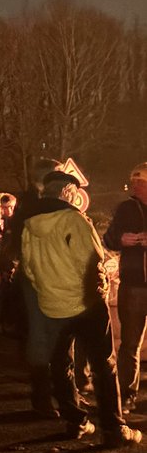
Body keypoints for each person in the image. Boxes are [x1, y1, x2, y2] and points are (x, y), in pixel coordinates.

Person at [21, 170, 140, 447]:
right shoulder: (74, 220)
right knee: (104, 365)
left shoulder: (29, 225)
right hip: (86, 304)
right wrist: (101, 289)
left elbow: (28, 268)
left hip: (51, 306)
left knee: (61, 363)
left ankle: (76, 420)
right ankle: (114, 428)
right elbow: (92, 260)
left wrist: (48, 290)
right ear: (68, 193)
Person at [102, 163, 147, 414]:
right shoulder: (126, 209)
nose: (134, 186)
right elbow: (108, 238)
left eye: (140, 182)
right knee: (130, 343)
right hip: (133, 285)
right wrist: (120, 240)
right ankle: (126, 395)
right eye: (134, 181)